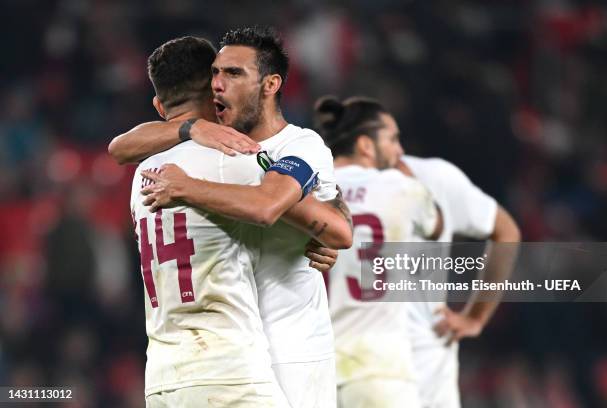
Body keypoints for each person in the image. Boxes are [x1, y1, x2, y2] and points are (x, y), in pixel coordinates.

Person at [110, 27, 351, 408]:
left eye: (233, 74)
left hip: (291, 349)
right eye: (216, 74)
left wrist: (185, 184)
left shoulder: (298, 145)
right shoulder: (220, 151)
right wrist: (191, 127)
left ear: (269, 85)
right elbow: (119, 146)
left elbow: (325, 222)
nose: (220, 84)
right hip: (232, 357)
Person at [130, 35, 291, 408]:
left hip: (162, 378)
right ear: (214, 88)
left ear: (158, 105)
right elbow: (310, 220)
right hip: (227, 374)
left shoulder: (140, 174)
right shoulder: (231, 157)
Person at [313, 95, 443, 408]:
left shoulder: (308, 188)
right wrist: (406, 174)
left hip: (315, 371)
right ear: (366, 145)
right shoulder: (401, 187)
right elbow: (435, 224)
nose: (399, 151)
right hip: (379, 369)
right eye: (393, 139)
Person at [397, 149, 521, 407]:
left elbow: (506, 232)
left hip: (426, 367)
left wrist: (476, 317)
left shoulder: (434, 177)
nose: (396, 149)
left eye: (394, 138)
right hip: (350, 361)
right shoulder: (327, 183)